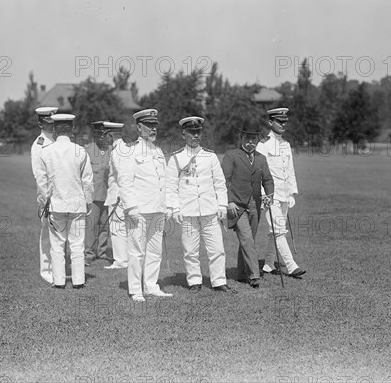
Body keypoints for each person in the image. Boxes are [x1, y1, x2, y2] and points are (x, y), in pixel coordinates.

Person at [166, 116, 231, 292]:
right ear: (183, 134)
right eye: (191, 132)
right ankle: (194, 281)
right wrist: (174, 208)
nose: (195, 135)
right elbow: (170, 186)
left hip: (210, 210)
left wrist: (222, 206)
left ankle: (219, 281)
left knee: (217, 249)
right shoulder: (176, 158)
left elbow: (220, 183)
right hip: (188, 211)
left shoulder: (210, 156)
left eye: (198, 132)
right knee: (190, 250)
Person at [118, 109, 172, 302]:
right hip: (139, 210)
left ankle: (151, 286)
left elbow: (163, 181)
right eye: (149, 125)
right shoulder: (130, 151)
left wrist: (166, 206)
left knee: (155, 250)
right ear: (139, 127)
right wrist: (131, 207)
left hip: (157, 208)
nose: (153, 129)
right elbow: (125, 181)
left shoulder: (157, 151)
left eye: (155, 125)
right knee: (136, 251)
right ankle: (135, 289)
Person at [36, 114, 94, 289]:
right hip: (76, 204)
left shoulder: (45, 152)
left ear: (54, 130)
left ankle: (59, 280)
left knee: (57, 244)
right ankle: (78, 280)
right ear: (72, 130)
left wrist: (42, 203)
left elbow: (41, 183)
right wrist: (88, 202)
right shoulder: (80, 151)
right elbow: (87, 181)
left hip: (56, 204)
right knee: (77, 244)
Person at [221, 119, 275, 288]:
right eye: (247, 138)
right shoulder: (231, 156)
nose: (251, 142)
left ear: (258, 139)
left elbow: (267, 179)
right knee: (247, 238)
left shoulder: (261, 159)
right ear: (241, 137)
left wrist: (269, 195)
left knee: (247, 239)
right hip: (237, 206)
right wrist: (228, 201)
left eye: (254, 139)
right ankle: (254, 276)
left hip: (255, 205)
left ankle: (241, 274)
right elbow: (224, 180)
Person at [256, 108, 306, 278]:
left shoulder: (286, 144)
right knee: (278, 230)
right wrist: (263, 194)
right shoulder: (263, 145)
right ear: (270, 123)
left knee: (274, 231)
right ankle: (291, 266)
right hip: (270, 195)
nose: (283, 124)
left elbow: (290, 170)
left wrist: (292, 192)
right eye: (279, 121)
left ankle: (269, 264)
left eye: (285, 121)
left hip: (284, 194)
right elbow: (258, 171)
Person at [30, 106, 58, 283]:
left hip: (62, 193)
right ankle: (46, 269)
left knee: (60, 233)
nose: (52, 126)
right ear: (40, 122)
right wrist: (44, 199)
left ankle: (58, 267)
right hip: (48, 195)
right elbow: (39, 175)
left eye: (54, 122)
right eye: (49, 122)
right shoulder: (40, 144)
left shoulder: (57, 140)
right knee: (47, 233)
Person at [84, 121, 113, 265]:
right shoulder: (87, 150)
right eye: (97, 134)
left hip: (108, 195)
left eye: (103, 134)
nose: (100, 137)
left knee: (105, 225)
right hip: (93, 195)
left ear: (107, 135)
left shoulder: (112, 151)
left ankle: (101, 252)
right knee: (90, 225)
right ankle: (88, 253)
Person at [102, 121, 129, 270]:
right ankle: (125, 258)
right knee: (124, 229)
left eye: (106, 135)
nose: (105, 139)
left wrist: (119, 195)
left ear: (111, 135)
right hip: (122, 195)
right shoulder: (125, 148)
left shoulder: (117, 151)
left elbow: (122, 175)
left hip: (117, 196)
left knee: (117, 228)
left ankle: (120, 260)